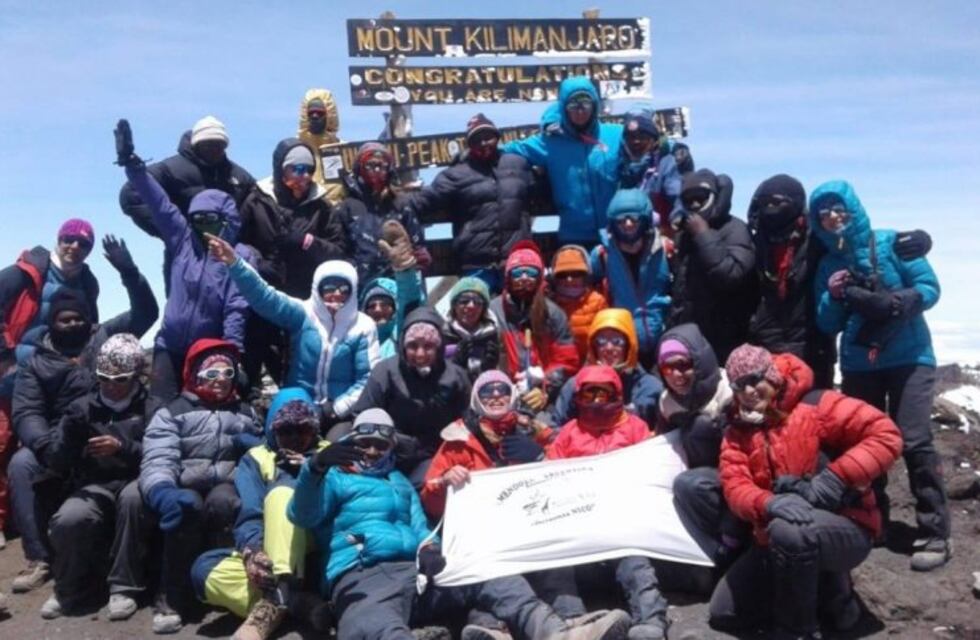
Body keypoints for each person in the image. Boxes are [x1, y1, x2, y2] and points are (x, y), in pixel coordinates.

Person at [287, 408, 630, 640]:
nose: (373, 451)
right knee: (372, 627)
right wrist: (314, 467)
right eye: (365, 443)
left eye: (381, 444)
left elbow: (421, 528)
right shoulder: (333, 477)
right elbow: (301, 515)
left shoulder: (400, 482)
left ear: (391, 446)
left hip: (416, 573)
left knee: (489, 574)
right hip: (363, 577)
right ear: (352, 444)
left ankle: (553, 631)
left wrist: (430, 549)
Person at [711, 344, 902, 638]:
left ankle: (799, 628)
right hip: (774, 533)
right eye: (739, 385)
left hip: (845, 526)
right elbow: (735, 485)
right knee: (725, 612)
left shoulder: (816, 405)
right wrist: (767, 503)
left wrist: (835, 479)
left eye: (755, 379)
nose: (748, 391)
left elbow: (885, 434)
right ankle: (817, 593)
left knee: (791, 532)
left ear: (772, 375)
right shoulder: (738, 429)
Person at [810, 180, 951, 570]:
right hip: (859, 364)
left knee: (915, 439)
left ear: (853, 209)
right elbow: (825, 322)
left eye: (839, 209)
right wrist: (837, 296)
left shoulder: (890, 243)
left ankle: (935, 530)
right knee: (865, 442)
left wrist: (899, 301)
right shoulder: (827, 264)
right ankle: (874, 519)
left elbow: (929, 286)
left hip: (910, 358)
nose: (834, 218)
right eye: (825, 213)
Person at [8, 238, 157, 593]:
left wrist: (129, 271)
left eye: (78, 318)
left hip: (107, 428)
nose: (72, 324)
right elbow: (26, 410)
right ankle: (40, 557)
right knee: (21, 464)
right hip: (54, 437)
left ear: (88, 318)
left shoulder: (104, 338)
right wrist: (46, 445)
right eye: (64, 319)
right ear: (53, 321)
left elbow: (146, 313)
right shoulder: (36, 361)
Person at [745, 175, 934, 389]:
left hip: (812, 346)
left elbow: (854, 239)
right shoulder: (753, 240)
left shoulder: (817, 239)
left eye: (779, 202)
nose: (772, 208)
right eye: (766, 203)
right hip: (767, 344)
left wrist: (921, 240)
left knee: (813, 416)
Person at [115, 119, 252, 409]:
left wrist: (233, 356)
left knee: (198, 417)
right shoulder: (182, 239)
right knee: (158, 414)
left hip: (208, 352)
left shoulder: (239, 256)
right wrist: (132, 166)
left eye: (210, 220)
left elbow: (235, 309)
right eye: (197, 219)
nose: (202, 226)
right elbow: (159, 202)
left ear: (226, 221)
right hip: (169, 346)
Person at [140, 338, 262, 634]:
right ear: (195, 375)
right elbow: (159, 456)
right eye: (211, 374)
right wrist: (162, 491)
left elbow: (261, 453)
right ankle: (172, 596)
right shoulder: (172, 412)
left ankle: (218, 587)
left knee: (225, 503)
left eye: (228, 373)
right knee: (186, 507)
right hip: (184, 483)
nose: (220, 380)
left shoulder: (245, 412)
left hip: (227, 482)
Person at [191, 388, 332, 640]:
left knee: (283, 495)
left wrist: (310, 469)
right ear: (271, 429)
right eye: (285, 430)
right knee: (204, 570)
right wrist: (252, 553)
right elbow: (250, 512)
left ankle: (272, 606)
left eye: (303, 429)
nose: (294, 437)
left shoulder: (329, 453)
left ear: (314, 429)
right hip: (270, 551)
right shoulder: (256, 458)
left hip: (317, 549)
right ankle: (294, 602)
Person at [209, 231, 380, 429]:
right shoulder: (304, 313)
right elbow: (265, 297)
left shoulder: (364, 326)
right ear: (317, 289)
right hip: (298, 405)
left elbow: (367, 379)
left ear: (353, 291)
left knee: (338, 444)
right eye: (328, 287)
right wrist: (235, 264)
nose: (335, 294)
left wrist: (335, 409)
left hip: (339, 415)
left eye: (343, 289)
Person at [546, 365, 669, 639]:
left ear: (616, 393)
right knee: (553, 559)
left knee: (634, 558)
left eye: (603, 393)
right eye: (589, 394)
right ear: (578, 397)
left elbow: (654, 468)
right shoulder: (568, 432)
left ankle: (651, 621)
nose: (597, 400)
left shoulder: (636, 428)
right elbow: (550, 474)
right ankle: (574, 622)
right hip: (577, 524)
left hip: (622, 523)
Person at [0, 218, 100, 549]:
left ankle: (22, 516)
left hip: (54, 375)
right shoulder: (22, 273)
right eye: (69, 239)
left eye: (83, 243)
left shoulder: (88, 281)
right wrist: (6, 356)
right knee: (3, 443)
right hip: (13, 369)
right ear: (58, 239)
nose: (75, 247)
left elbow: (89, 322)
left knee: (31, 446)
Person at [39, 334, 151, 620]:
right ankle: (69, 588)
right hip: (94, 484)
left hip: (136, 479)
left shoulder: (152, 407)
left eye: (121, 378)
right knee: (70, 518)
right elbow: (57, 460)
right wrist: (70, 436)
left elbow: (160, 453)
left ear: (137, 375)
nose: (111, 386)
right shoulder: (81, 408)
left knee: (132, 500)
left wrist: (123, 447)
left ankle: (124, 587)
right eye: (104, 377)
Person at [236, 137, 347, 389]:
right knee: (256, 351)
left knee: (302, 359)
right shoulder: (257, 200)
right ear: (280, 169)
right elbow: (237, 242)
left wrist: (307, 242)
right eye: (296, 169)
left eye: (308, 169)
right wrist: (258, 264)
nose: (303, 176)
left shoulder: (321, 207)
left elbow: (339, 251)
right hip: (264, 294)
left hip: (305, 298)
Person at [118, 115, 255, 290]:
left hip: (227, 261)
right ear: (196, 144)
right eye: (208, 144)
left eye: (219, 145)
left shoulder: (238, 176)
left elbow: (259, 207)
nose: (214, 149)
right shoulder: (171, 170)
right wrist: (174, 232)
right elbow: (131, 194)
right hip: (183, 261)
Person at [410, 113, 534, 292]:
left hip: (515, 262)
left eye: (488, 137)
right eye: (477, 139)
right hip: (475, 264)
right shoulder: (456, 174)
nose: (484, 143)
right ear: (469, 145)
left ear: (497, 138)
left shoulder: (519, 165)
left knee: (517, 316)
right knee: (472, 312)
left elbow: (542, 189)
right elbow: (418, 204)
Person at [653, 324, 743, 568]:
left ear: (700, 362)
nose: (676, 375)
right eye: (667, 367)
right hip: (703, 475)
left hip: (740, 473)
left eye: (683, 365)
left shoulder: (729, 392)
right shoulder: (667, 403)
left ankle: (737, 539)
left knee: (700, 429)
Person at [351, 307, 471, 486]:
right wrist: (390, 441)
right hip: (387, 451)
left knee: (431, 485)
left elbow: (469, 420)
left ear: (439, 348)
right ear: (403, 346)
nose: (420, 354)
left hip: (435, 455)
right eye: (413, 346)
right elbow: (362, 415)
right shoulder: (385, 372)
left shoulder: (456, 376)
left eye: (428, 346)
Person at [503, 76, 623, 246]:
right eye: (573, 105)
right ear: (563, 108)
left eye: (585, 104)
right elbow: (510, 149)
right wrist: (473, 150)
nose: (580, 111)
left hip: (619, 233)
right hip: (574, 237)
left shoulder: (616, 134)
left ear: (595, 105)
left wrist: (663, 145)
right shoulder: (549, 143)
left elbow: (648, 142)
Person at [667, 169, 757, 363]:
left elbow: (731, 275)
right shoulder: (684, 235)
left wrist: (703, 236)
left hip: (726, 338)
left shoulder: (735, 228)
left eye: (700, 198)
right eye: (689, 200)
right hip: (692, 335)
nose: (695, 204)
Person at [490, 243, 579, 414]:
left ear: (540, 277)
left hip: (544, 395)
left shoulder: (553, 313)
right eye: (517, 272)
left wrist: (546, 388)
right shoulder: (493, 311)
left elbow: (566, 360)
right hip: (502, 393)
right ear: (508, 277)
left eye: (531, 273)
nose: (524, 278)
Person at [591, 189, 671, 368]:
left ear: (645, 219)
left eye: (634, 218)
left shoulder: (665, 250)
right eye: (620, 219)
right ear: (612, 222)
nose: (627, 224)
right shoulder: (602, 256)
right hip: (621, 347)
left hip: (664, 341)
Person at [334, 142, 428, 284]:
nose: (376, 170)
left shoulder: (400, 204)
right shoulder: (347, 207)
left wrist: (414, 263)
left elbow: (419, 248)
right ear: (359, 168)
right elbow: (340, 250)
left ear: (389, 170)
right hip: (361, 286)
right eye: (370, 165)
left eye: (382, 166)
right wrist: (352, 270)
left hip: (400, 282)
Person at [551, 309, 662, 429]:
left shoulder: (650, 388)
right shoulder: (575, 386)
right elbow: (556, 427)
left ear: (629, 345)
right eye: (601, 341)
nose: (609, 348)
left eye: (617, 341)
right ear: (594, 347)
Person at [617, 108, 682, 228]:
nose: (636, 142)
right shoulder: (618, 166)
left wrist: (678, 215)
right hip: (625, 232)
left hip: (659, 233)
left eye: (642, 137)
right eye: (631, 137)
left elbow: (676, 194)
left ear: (654, 141)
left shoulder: (665, 163)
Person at [549, 245, 608, 362]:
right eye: (563, 275)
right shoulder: (549, 305)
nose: (569, 279)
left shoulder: (598, 302)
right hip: (560, 367)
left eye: (576, 273)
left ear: (585, 275)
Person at [442, 277, 501, 382]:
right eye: (464, 301)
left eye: (478, 301)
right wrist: (455, 364)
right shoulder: (442, 334)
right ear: (454, 305)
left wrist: (491, 369)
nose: (471, 306)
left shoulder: (494, 334)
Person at [296, 88, 347, 205]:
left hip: (336, 215)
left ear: (330, 115)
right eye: (311, 113)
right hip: (304, 214)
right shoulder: (295, 150)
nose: (314, 116)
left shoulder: (344, 150)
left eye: (319, 113)